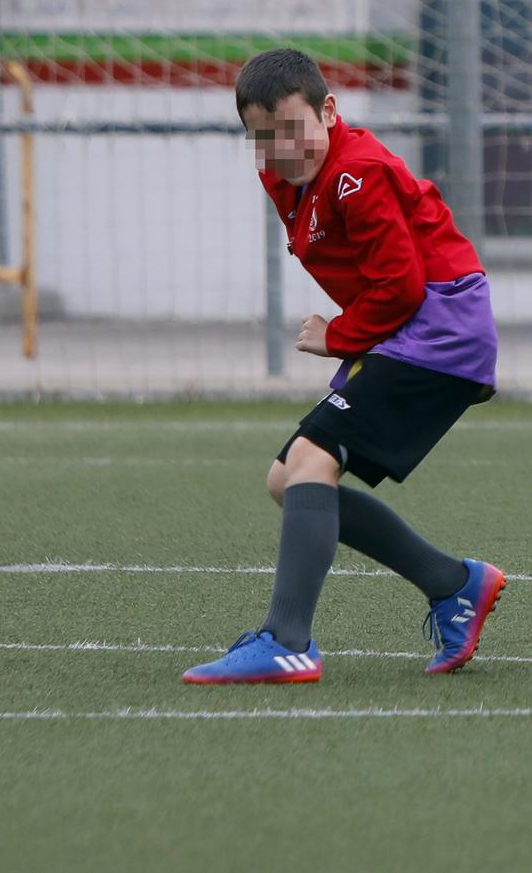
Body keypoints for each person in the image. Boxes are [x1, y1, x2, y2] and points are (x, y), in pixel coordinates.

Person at [183, 49, 505, 683]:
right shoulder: (280, 175)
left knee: (310, 460)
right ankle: (453, 583)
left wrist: (341, 336)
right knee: (289, 480)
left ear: (329, 112)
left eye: (293, 128)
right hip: (409, 333)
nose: (281, 148)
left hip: (441, 331)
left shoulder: (360, 173)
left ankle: (286, 640)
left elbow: (403, 285)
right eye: (262, 137)